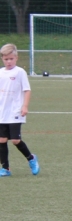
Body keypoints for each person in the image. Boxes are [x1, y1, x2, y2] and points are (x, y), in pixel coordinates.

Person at [0, 44, 39, 177]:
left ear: (16, 58)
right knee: (1, 140)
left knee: (15, 140)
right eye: (6, 59)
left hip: (15, 111)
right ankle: (5, 168)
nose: (9, 61)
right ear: (2, 59)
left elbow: (27, 90)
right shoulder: (1, 72)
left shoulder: (20, 72)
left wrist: (25, 106)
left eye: (11, 59)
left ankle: (31, 158)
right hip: (2, 112)